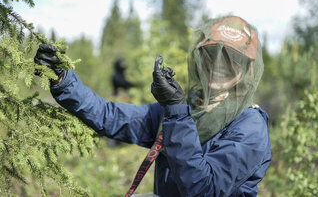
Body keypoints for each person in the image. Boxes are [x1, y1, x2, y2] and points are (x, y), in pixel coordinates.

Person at [34, 16, 271, 197]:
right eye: (211, 54)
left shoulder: (249, 125)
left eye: (232, 58)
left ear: (248, 70)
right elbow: (110, 117)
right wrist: (62, 79)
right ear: (199, 58)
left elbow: (203, 189)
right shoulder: (190, 107)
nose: (219, 63)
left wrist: (176, 111)